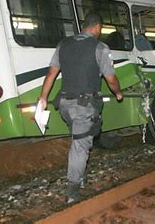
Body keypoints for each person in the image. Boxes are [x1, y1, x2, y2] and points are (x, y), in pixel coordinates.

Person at [38, 13, 123, 204]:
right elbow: (110, 79)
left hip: (65, 106)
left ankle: (79, 175)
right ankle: (72, 189)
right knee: (80, 146)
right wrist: (118, 92)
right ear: (98, 27)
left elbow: (51, 73)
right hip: (83, 106)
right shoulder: (100, 47)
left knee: (79, 138)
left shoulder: (63, 44)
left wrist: (43, 97)